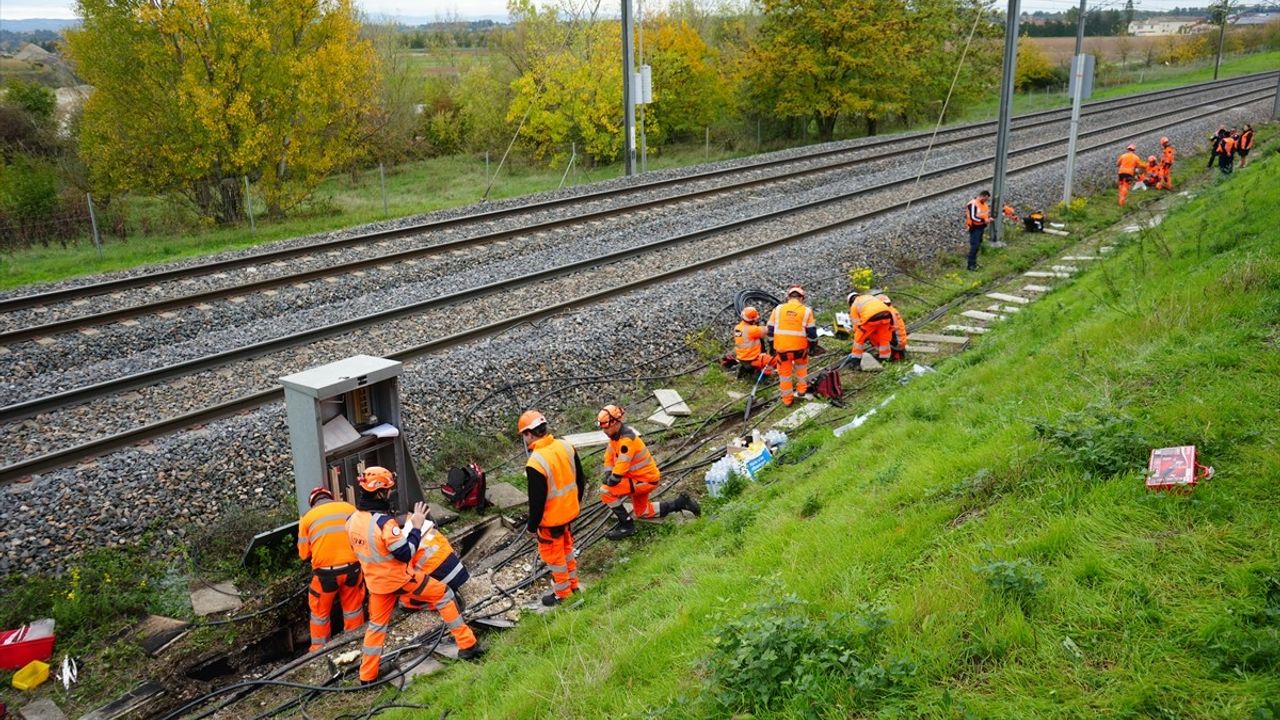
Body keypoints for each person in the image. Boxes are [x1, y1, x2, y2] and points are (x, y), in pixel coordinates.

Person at [346, 466, 483, 684]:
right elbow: (405, 553)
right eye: (389, 488)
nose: (391, 492)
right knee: (444, 595)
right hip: (401, 579)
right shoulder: (384, 523)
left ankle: (368, 675)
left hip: (377, 585)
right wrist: (416, 526)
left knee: (376, 627)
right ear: (381, 492)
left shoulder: (352, 521)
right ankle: (468, 645)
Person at [596, 404, 700, 540]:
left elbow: (622, 463)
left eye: (606, 427)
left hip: (643, 480)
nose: (604, 430)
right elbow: (609, 457)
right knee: (642, 512)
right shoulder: (615, 438)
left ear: (615, 423)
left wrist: (613, 478)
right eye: (602, 427)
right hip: (640, 479)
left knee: (606, 491)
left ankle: (627, 525)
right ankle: (680, 503)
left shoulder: (626, 440)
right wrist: (608, 472)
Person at [518, 410, 586, 607]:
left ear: (529, 434)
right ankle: (573, 585)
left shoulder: (536, 462)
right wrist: (574, 504)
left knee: (554, 557)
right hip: (569, 513)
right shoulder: (566, 446)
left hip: (551, 520)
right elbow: (580, 480)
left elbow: (536, 502)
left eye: (524, 435)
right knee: (566, 550)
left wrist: (532, 527)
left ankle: (563, 594)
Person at [298, 487, 365, 653]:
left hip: (325, 575)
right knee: (353, 608)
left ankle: (319, 650)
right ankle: (355, 640)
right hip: (353, 569)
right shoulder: (350, 508)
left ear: (313, 502)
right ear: (330, 497)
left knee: (320, 613)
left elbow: (303, 554)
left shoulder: (306, 518)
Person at [767, 286, 817, 405]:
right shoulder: (806, 311)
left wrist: (771, 346)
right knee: (801, 369)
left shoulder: (778, 309)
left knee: (784, 375)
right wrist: (813, 345)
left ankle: (787, 400)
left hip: (782, 349)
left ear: (788, 297)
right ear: (801, 298)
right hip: (800, 349)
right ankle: (801, 391)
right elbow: (812, 332)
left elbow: (770, 330)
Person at [847, 291, 895, 365]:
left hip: (872, 318)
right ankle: (885, 358)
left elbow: (857, 325)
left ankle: (855, 360)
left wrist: (862, 335)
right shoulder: (869, 297)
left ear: (850, 302)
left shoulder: (854, 305)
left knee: (859, 339)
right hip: (886, 316)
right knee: (884, 338)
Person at [732, 306, 774, 376]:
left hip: (742, 358)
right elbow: (769, 330)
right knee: (772, 360)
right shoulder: (753, 330)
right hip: (752, 359)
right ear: (753, 319)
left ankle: (747, 369)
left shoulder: (737, 328)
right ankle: (763, 374)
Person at [964, 190, 991, 271]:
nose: (986, 201)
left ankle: (974, 263)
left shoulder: (983, 204)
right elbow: (973, 217)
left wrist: (988, 219)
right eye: (986, 199)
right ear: (983, 196)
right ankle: (970, 265)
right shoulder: (973, 204)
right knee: (974, 246)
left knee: (977, 245)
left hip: (981, 227)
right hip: (974, 228)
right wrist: (984, 221)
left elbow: (984, 214)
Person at [878, 293, 909, 362]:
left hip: (897, 343)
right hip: (902, 341)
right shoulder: (893, 310)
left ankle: (890, 356)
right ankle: (898, 354)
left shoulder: (886, 314)